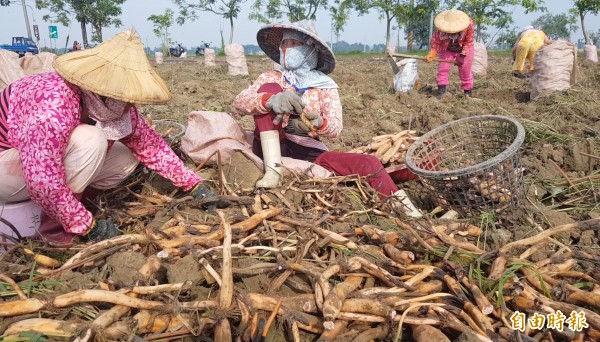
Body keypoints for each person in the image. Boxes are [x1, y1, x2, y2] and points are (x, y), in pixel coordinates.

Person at [0, 29, 215, 245]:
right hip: (7, 167)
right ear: (106, 93)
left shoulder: (103, 102)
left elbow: (150, 146)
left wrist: (194, 185)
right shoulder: (54, 105)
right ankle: (56, 232)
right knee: (90, 140)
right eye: (127, 99)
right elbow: (41, 180)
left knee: (126, 158)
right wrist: (87, 227)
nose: (131, 105)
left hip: (36, 166)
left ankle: (75, 205)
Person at [232, 20, 422, 218]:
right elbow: (239, 102)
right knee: (270, 90)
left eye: (292, 44)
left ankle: (407, 212)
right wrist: (270, 99)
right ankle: (273, 171)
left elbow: (336, 128)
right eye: (283, 44)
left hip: (307, 152)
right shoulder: (271, 77)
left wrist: (318, 124)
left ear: (309, 49)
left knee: (369, 163)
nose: (286, 49)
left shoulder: (324, 86)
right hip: (271, 143)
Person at [425, 9, 475, 98]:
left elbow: (469, 41)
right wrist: (432, 53)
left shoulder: (469, 24)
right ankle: (441, 91)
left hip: (464, 48)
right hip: (447, 48)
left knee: (465, 71)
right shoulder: (441, 27)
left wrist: (463, 55)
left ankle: (467, 92)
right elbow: (436, 41)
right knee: (443, 68)